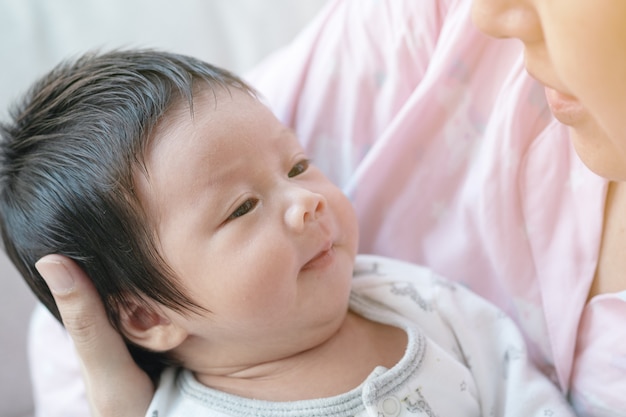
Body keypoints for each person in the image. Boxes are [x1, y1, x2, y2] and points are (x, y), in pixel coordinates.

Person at [22, 0, 626, 416]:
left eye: (298, 166)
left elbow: (520, 390)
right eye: (242, 208)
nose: (306, 201)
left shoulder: (415, 303)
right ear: (147, 317)